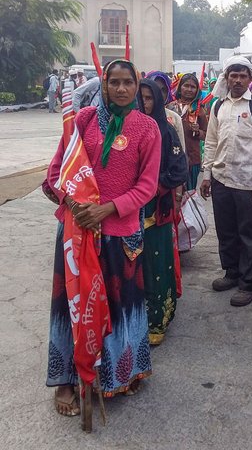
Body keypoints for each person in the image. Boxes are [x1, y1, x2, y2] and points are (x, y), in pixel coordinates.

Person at [46, 59, 161, 415]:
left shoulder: (147, 129)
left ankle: (119, 372)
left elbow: (147, 187)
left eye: (128, 82)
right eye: (114, 82)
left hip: (121, 235)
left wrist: (107, 209)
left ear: (136, 84)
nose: (122, 89)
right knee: (73, 305)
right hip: (76, 233)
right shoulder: (82, 121)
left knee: (120, 305)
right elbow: (56, 173)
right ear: (104, 84)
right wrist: (74, 204)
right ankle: (66, 379)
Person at [201, 56, 252, 307]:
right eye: (234, 75)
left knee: (249, 233)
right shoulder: (218, 106)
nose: (238, 80)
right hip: (221, 179)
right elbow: (211, 143)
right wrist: (207, 175)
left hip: (247, 181)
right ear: (227, 77)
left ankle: (248, 283)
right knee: (226, 231)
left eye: (243, 75)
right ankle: (231, 273)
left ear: (250, 79)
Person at [138, 78, 188, 345]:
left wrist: (157, 187)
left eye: (149, 98)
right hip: (127, 208)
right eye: (140, 98)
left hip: (155, 206)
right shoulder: (124, 129)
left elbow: (179, 168)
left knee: (157, 263)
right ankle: (133, 319)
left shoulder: (165, 130)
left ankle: (158, 319)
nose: (144, 103)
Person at [167, 73, 207, 190]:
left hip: (192, 158)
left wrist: (198, 131)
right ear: (180, 87)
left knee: (189, 194)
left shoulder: (199, 110)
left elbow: (207, 135)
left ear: (197, 90)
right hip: (172, 157)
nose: (189, 89)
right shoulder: (170, 107)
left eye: (193, 87)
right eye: (186, 86)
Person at [149, 71, 186, 150]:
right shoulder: (137, 118)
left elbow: (181, 151)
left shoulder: (175, 118)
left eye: (164, 90)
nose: (160, 94)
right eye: (156, 89)